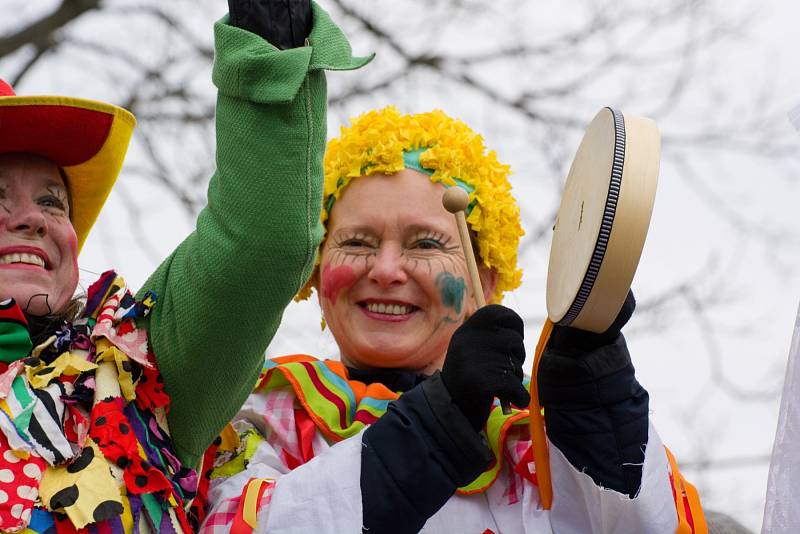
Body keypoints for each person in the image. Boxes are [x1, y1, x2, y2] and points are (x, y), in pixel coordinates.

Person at [202, 102, 707, 531]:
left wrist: (598, 399)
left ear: (484, 283)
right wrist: (436, 424)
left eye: (425, 244)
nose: (385, 269)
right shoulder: (263, 413)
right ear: (315, 269)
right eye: (357, 242)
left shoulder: (537, 444)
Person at [0, 0, 369, 531]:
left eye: (53, 201)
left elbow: (259, 243)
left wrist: (267, 35)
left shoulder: (132, 369)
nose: (34, 219)